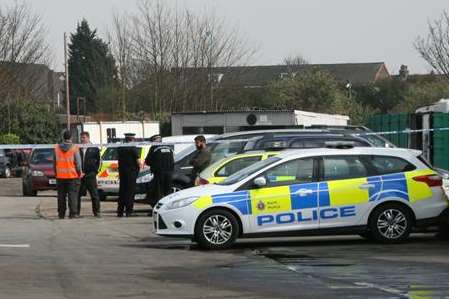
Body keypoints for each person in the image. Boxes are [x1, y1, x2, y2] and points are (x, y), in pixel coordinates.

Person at [54, 130, 82, 219]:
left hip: (60, 176)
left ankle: (61, 214)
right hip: (72, 176)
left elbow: (54, 163)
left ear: (63, 137)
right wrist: (79, 173)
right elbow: (78, 163)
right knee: (72, 196)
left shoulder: (57, 148)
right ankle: (73, 213)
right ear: (71, 137)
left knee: (61, 196)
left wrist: (56, 173)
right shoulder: (74, 148)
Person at [145, 134, 174, 206]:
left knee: (158, 193)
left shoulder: (154, 148)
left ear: (154, 141)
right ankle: (169, 208)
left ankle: (158, 208)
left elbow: (148, 161)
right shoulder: (169, 147)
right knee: (168, 192)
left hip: (159, 173)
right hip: (169, 173)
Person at [77, 131, 101, 217]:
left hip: (90, 175)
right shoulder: (78, 148)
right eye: (81, 138)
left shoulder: (94, 148)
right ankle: (76, 212)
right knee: (77, 195)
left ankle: (97, 212)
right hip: (80, 175)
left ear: (88, 138)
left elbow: (99, 161)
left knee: (94, 194)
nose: (82, 139)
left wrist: (94, 172)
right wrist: (79, 172)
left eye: (84, 137)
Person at [117, 133, 141, 217]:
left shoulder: (120, 148)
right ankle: (129, 211)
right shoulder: (133, 148)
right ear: (132, 139)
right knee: (130, 193)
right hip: (131, 173)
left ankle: (120, 211)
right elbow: (138, 162)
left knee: (122, 192)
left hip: (122, 173)